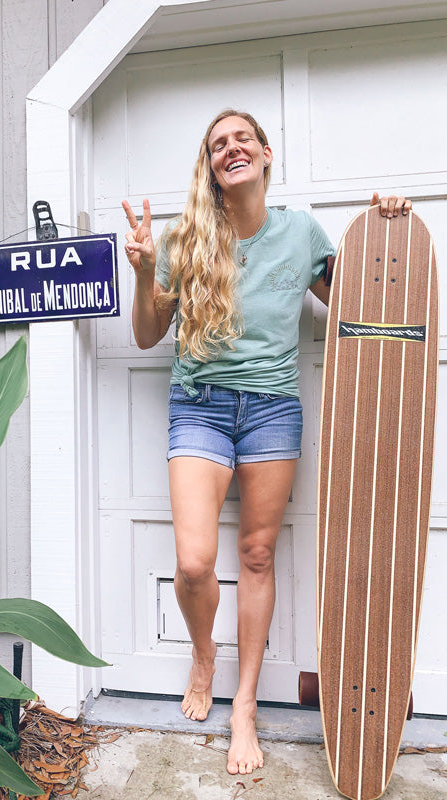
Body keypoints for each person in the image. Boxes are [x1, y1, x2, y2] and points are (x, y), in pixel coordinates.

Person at [122, 109, 411, 777]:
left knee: (256, 555)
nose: (231, 150)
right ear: (212, 167)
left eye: (241, 139)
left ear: (265, 154)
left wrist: (385, 228)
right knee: (194, 564)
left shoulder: (300, 233)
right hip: (199, 406)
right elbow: (144, 335)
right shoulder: (186, 238)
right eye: (218, 144)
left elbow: (363, 302)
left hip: (273, 409)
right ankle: (203, 657)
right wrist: (142, 272)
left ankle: (244, 705)